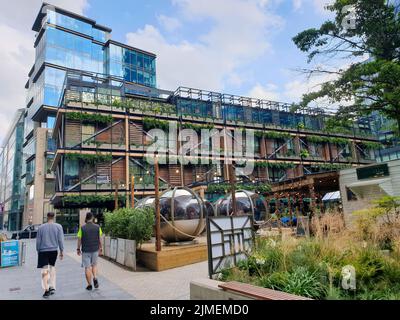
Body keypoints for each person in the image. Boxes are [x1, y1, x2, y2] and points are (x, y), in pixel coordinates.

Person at [36, 212, 64, 298]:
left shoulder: (41, 227)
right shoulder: (59, 226)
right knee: (52, 267)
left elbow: (38, 241)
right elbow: (60, 240)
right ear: (54, 217)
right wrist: (61, 251)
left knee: (44, 270)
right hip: (53, 251)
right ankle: (52, 286)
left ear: (47, 217)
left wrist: (38, 250)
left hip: (43, 251)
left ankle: (46, 290)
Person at [76, 212, 103, 291]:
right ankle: (95, 278)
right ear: (92, 218)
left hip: (86, 250)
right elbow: (100, 239)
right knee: (94, 265)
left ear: (86, 218)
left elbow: (79, 239)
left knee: (87, 267)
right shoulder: (97, 227)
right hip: (95, 249)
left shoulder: (82, 228)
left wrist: (78, 249)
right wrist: (101, 248)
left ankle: (89, 285)